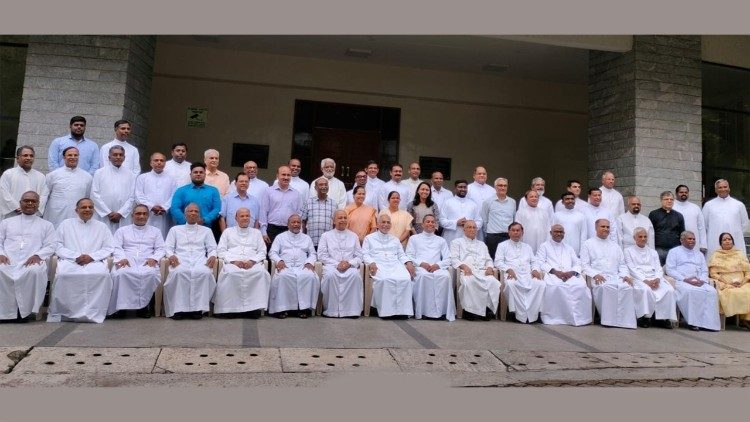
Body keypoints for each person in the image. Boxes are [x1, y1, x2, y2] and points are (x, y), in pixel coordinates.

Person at [47, 198, 115, 323]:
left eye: (90, 207)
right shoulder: (66, 224)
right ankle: (66, 312)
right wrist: (75, 256)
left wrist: (92, 257)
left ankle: (95, 311)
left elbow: (109, 247)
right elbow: (57, 245)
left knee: (103, 275)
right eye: (84, 207)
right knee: (63, 275)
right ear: (76, 210)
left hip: (94, 262)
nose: (87, 209)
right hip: (71, 261)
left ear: (94, 210)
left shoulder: (102, 226)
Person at [0, 192, 58, 322]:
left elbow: (51, 245)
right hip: (8, 259)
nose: (30, 203)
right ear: (20, 203)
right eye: (26, 201)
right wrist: (1, 254)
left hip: (31, 260)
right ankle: (5, 312)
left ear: (38, 204)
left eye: (33, 201)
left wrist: (38, 255)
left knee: (34, 271)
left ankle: (25, 312)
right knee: (1, 270)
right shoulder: (6, 222)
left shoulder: (46, 225)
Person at [108, 205, 166, 319]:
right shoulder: (122, 230)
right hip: (127, 260)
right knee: (121, 274)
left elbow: (161, 248)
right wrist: (121, 258)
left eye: (144, 214)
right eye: (138, 214)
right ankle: (121, 308)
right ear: (132, 215)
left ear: (148, 216)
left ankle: (144, 308)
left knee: (151, 274)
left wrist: (154, 258)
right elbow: (116, 247)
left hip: (147, 260)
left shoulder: (156, 231)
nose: (141, 216)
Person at [163, 203, 217, 320]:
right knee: (179, 273)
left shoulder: (206, 231)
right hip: (180, 259)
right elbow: (168, 247)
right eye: (190, 211)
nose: (193, 213)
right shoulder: (175, 230)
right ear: (185, 214)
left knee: (204, 273)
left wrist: (212, 255)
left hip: (199, 259)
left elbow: (212, 248)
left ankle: (197, 309)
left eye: (196, 211)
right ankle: (178, 309)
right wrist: (171, 256)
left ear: (199, 215)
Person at [214, 207, 271, 318]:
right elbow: (220, 250)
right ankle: (230, 309)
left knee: (261, 273)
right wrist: (233, 261)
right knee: (230, 274)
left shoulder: (256, 233)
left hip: (252, 263)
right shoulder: (227, 232)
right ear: (236, 218)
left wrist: (252, 261)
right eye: (242, 216)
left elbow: (262, 251)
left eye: (247, 216)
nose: (245, 218)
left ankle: (253, 309)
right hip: (232, 262)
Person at [580, 219, 637, 329]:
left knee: (627, 287)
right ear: (596, 228)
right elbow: (585, 265)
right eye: (603, 226)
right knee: (607, 287)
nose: (606, 229)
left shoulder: (615, 246)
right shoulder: (588, 244)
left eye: (607, 227)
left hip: (616, 276)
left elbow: (622, 264)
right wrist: (595, 274)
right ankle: (608, 320)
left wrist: (625, 275)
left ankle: (626, 322)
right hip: (598, 277)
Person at [536, 224, 592, 326]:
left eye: (561, 232)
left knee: (581, 286)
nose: (558, 234)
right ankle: (556, 318)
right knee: (555, 287)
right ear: (551, 233)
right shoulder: (544, 246)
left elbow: (577, 263)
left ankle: (579, 318)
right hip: (552, 274)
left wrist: (572, 272)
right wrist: (555, 272)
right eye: (556, 231)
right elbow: (540, 262)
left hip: (569, 275)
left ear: (564, 234)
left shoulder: (568, 248)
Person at [363, 214, 416, 319]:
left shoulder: (395, 239)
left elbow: (401, 255)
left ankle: (402, 312)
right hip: (378, 264)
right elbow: (365, 254)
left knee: (405, 279)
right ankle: (386, 312)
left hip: (395, 264)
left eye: (388, 222)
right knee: (385, 280)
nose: (386, 225)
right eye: (383, 222)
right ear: (377, 224)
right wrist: (371, 262)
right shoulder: (369, 238)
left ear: (390, 225)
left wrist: (408, 262)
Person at [665, 231, 721, 331]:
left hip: (699, 281)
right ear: (682, 240)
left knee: (712, 292)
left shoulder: (699, 254)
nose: (692, 241)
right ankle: (693, 323)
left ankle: (709, 324)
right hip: (682, 281)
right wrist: (685, 279)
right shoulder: (674, 252)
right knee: (691, 292)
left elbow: (704, 270)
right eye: (689, 239)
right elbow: (670, 269)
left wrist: (702, 280)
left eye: (694, 239)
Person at [624, 227, 678, 328]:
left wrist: (657, 279)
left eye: (645, 236)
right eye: (640, 236)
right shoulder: (628, 251)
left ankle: (663, 318)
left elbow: (658, 267)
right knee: (645, 290)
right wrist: (646, 281)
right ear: (634, 238)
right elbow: (631, 268)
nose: (643, 239)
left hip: (654, 277)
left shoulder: (653, 252)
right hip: (639, 278)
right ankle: (644, 318)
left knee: (669, 290)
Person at [268, 214, 319, 318]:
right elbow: (272, 252)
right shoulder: (280, 237)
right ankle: (282, 309)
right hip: (286, 266)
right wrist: (279, 260)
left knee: (309, 276)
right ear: (288, 224)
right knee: (283, 277)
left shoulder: (306, 238)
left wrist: (309, 262)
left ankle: (303, 308)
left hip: (302, 266)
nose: (296, 224)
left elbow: (313, 253)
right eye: (293, 222)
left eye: (298, 222)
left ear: (301, 224)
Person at [405, 214, 455, 321]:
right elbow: (409, 255)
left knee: (445, 277)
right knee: (424, 276)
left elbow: (448, 258)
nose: (430, 224)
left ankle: (442, 312)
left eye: (433, 222)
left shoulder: (441, 240)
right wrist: (421, 263)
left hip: (437, 267)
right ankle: (423, 312)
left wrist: (438, 265)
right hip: (420, 267)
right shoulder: (414, 238)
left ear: (436, 225)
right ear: (422, 224)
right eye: (428, 221)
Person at [494, 222, 545, 323]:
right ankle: (514, 313)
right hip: (512, 274)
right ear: (509, 232)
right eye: (513, 230)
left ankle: (535, 313)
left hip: (527, 274)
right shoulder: (502, 245)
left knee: (541, 284)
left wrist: (534, 270)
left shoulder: (527, 247)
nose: (516, 232)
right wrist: (508, 269)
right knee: (511, 284)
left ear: (522, 232)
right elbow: (498, 261)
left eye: (518, 230)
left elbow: (534, 261)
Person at [317, 210, 364, 318]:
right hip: (331, 266)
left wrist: (349, 263)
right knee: (330, 276)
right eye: (340, 218)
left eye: (344, 218)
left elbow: (359, 255)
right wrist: (337, 264)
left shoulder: (354, 236)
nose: (343, 220)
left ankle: (352, 311)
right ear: (334, 221)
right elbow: (321, 255)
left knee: (355, 276)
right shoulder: (326, 236)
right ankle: (331, 311)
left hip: (349, 267)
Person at [450, 220, 499, 321]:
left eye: (474, 227)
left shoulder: (482, 244)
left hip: (482, 271)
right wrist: (463, 266)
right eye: (469, 227)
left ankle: (486, 310)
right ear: (464, 230)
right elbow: (454, 259)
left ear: (477, 230)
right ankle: (469, 311)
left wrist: (490, 267)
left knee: (493, 282)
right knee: (469, 282)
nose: (472, 229)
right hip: (467, 272)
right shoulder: (456, 242)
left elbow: (489, 259)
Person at [708, 232, 750, 330]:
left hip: (742, 282)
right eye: (724, 239)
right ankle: (739, 320)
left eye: (729, 239)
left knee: (748, 291)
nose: (727, 241)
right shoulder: (716, 255)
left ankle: (746, 319)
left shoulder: (739, 254)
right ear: (721, 243)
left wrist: (742, 282)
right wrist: (729, 283)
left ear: (732, 241)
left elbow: (748, 271)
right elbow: (713, 273)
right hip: (725, 283)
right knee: (731, 293)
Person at [43, 146, 93, 228]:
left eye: (75, 155)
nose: (73, 157)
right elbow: (45, 195)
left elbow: (87, 196)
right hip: (55, 214)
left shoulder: (87, 177)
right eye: (70, 155)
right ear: (64, 157)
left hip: (76, 215)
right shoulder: (53, 175)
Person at [91, 145, 136, 234]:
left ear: (124, 157)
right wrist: (108, 213)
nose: (118, 157)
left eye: (120, 155)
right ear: (109, 157)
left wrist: (120, 213)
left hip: (123, 217)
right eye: (115, 155)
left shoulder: (130, 175)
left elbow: (133, 196)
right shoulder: (99, 173)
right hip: (104, 216)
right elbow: (94, 194)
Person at [0, 146, 49, 219]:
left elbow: (44, 195)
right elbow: (4, 193)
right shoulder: (8, 174)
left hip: (33, 215)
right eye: (25, 155)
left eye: (31, 156)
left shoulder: (40, 176)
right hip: (12, 214)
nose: (29, 158)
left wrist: (33, 208)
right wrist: (17, 207)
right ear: (18, 158)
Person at [702, 179, 749, 256]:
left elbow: (744, 224)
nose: (723, 189)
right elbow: (704, 224)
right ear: (716, 190)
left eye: (725, 187)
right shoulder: (708, 205)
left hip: (735, 240)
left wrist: (734, 233)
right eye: (720, 187)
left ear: (729, 188)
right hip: (714, 240)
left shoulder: (739, 205)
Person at [135, 152, 176, 239]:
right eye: (156, 160)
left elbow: (174, 196)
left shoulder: (171, 179)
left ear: (165, 163)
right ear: (151, 163)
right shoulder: (142, 178)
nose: (159, 162)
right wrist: (151, 207)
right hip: (147, 213)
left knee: (163, 237)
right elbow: (138, 195)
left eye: (162, 160)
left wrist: (164, 208)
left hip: (164, 215)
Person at [170, 162, 222, 229]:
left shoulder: (213, 191)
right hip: (184, 228)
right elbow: (174, 208)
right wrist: (187, 222)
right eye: (195, 172)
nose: (198, 174)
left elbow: (217, 209)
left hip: (206, 228)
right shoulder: (181, 191)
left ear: (205, 174)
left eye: (201, 172)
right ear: (190, 174)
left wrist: (205, 220)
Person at [260, 165, 302, 246]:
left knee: (287, 256)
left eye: (288, 175)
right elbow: (263, 212)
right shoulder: (268, 191)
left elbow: (298, 214)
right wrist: (263, 232)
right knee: (270, 256)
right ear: (277, 176)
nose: (286, 177)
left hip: (289, 230)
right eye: (283, 174)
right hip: (272, 229)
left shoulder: (296, 194)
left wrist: (298, 232)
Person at [481, 177, 515, 259]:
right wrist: (488, 234)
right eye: (500, 185)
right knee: (492, 261)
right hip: (493, 237)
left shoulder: (512, 202)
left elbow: (513, 219)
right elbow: (484, 220)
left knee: (507, 260)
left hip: (508, 237)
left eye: (505, 185)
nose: (502, 188)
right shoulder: (487, 202)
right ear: (495, 187)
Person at [648, 191, 685, 265]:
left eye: (671, 199)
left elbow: (682, 233)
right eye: (666, 199)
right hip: (659, 249)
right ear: (661, 200)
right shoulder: (653, 214)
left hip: (674, 249)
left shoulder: (679, 216)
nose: (669, 201)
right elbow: (650, 233)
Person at [440, 179, 482, 244]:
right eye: (460, 187)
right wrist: (456, 222)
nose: (463, 189)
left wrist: (470, 225)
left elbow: (479, 221)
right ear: (455, 189)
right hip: (451, 237)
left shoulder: (473, 204)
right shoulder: (448, 202)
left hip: (469, 238)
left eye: (465, 187)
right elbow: (442, 221)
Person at [301, 177, 336, 248]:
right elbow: (303, 222)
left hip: (328, 243)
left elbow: (335, 224)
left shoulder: (334, 204)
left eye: (326, 185)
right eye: (321, 185)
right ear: (315, 187)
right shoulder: (308, 202)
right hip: (311, 242)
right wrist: (303, 238)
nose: (324, 187)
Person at [673, 184, 707, 254]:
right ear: (676, 194)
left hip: (693, 244)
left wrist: (703, 245)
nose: (684, 194)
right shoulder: (672, 207)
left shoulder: (695, 208)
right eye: (681, 192)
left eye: (686, 192)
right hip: (675, 243)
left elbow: (701, 227)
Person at [514, 190, 551, 254]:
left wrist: (547, 243)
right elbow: (517, 229)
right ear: (526, 199)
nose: (534, 198)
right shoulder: (520, 212)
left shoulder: (544, 213)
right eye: (531, 197)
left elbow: (548, 229)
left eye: (536, 197)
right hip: (526, 243)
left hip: (542, 243)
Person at [466, 166, 495, 239]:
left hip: (489, 224)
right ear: (474, 175)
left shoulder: (492, 190)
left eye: (484, 174)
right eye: (479, 173)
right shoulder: (468, 188)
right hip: (473, 222)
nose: (482, 175)